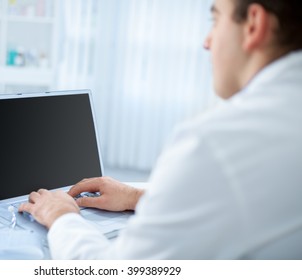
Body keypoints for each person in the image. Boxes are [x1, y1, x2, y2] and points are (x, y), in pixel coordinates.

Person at [19, 0, 302, 259]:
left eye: (215, 21)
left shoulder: (216, 142)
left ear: (253, 25)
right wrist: (136, 198)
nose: (207, 42)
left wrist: (61, 216)